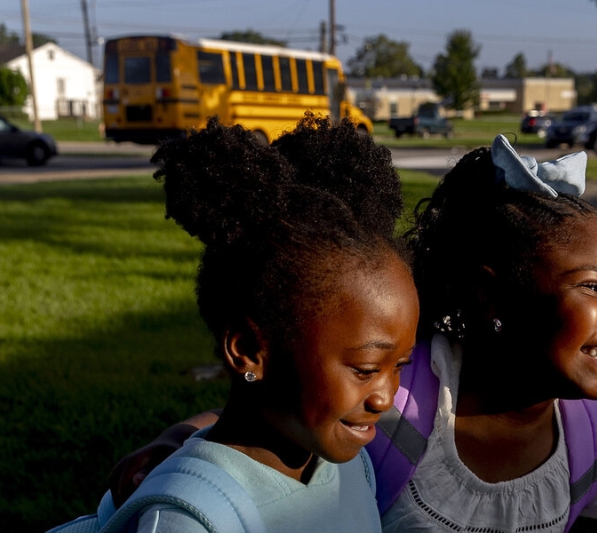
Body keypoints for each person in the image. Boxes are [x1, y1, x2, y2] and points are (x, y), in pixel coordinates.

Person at [109, 134, 597, 533]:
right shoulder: (396, 423)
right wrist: (177, 440)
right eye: (594, 288)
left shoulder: (595, 442)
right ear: (490, 297)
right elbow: (274, 410)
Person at [52, 114, 420, 533]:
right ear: (248, 350)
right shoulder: (189, 520)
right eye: (366, 370)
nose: (386, 398)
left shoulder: (345, 465)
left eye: (400, 366)